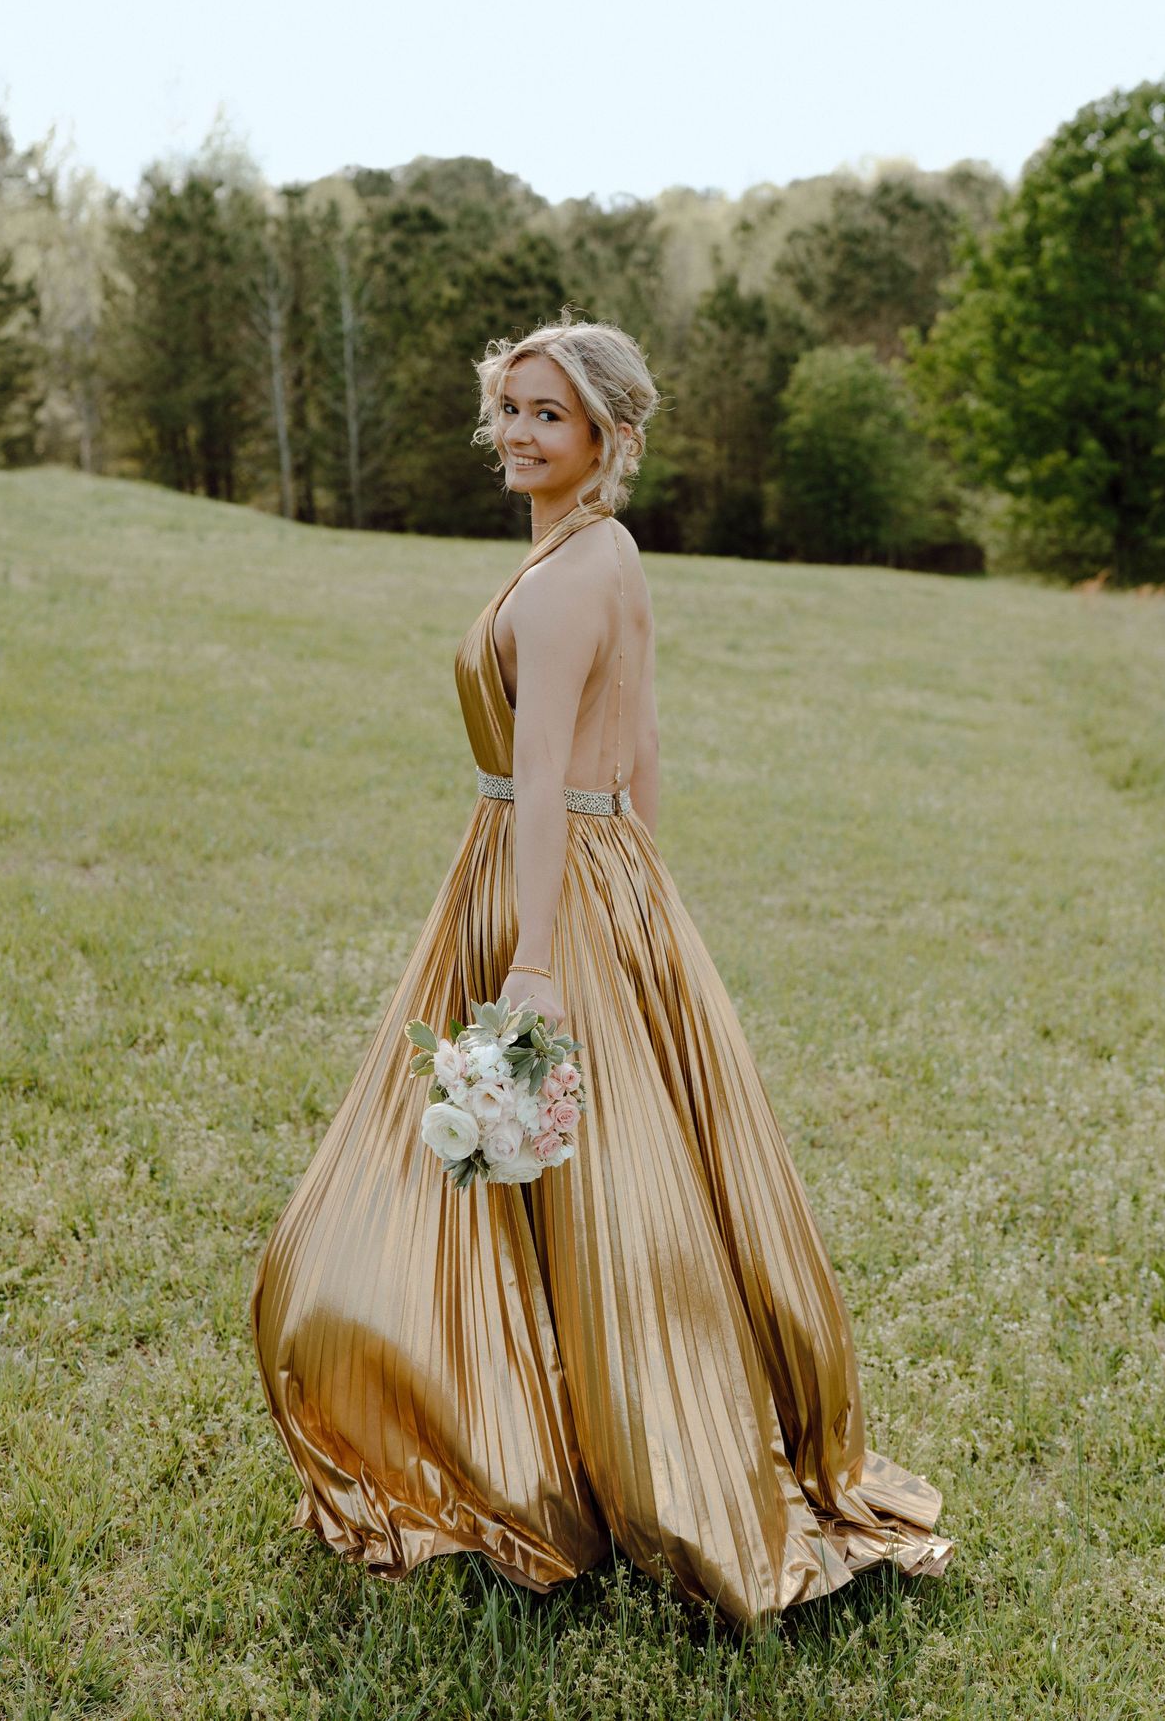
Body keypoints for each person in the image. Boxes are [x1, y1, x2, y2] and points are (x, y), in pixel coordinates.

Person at [250, 312, 953, 1629]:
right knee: (544, 1194)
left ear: (607, 438)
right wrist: (636, 901)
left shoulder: (573, 576)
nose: (518, 433)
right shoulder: (602, 551)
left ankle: (595, 1461)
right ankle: (534, 1430)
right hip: (600, 882)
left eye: (548, 416)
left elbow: (549, 783)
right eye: (510, 407)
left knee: (547, 1194)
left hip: (547, 900)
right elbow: (640, 763)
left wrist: (538, 963)